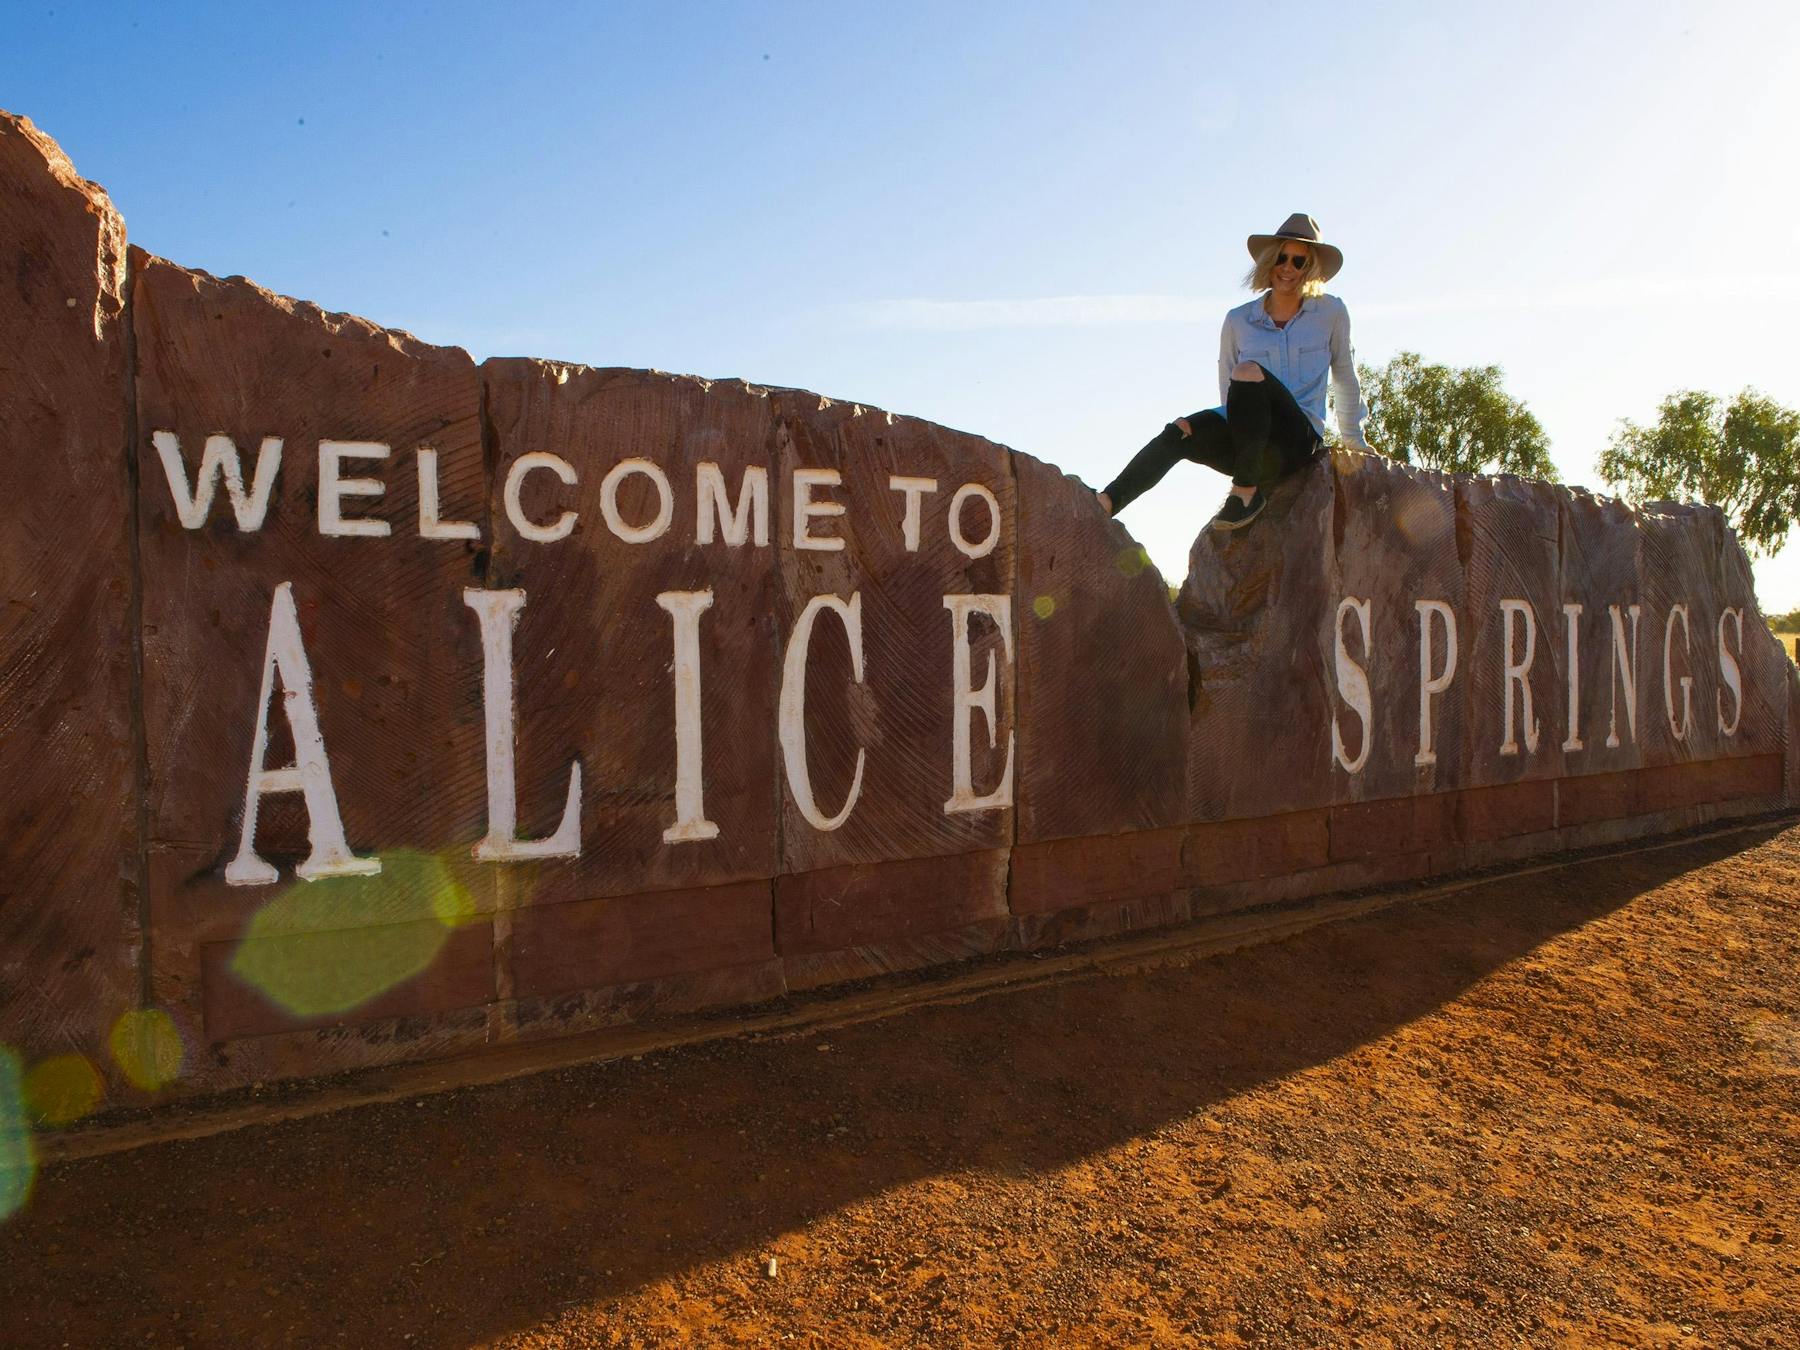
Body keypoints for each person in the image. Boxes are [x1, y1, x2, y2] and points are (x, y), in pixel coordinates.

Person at [1097, 213, 1375, 531]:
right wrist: (1221, 437)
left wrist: (1354, 443)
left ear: (1310, 268)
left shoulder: (1331, 312)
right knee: (1180, 430)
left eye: (1299, 262)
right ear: (1269, 262)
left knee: (1248, 371)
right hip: (1252, 446)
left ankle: (1245, 496)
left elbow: (1344, 375)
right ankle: (1107, 502)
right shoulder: (1238, 321)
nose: (1288, 268)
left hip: (1297, 441)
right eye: (1281, 258)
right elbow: (1230, 395)